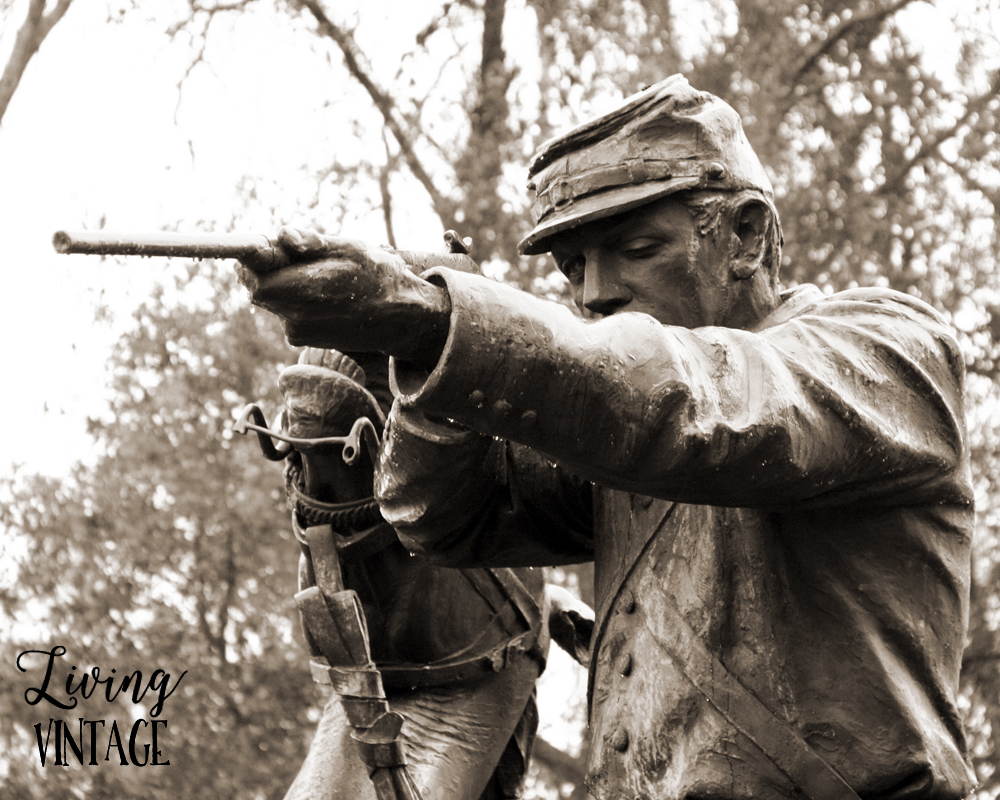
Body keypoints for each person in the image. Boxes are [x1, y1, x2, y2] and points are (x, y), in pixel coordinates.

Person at [238, 75, 976, 800]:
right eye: (573, 267)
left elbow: (689, 401)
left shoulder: (889, 355)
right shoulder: (617, 434)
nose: (595, 293)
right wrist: (422, 362)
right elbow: (449, 520)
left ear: (746, 236)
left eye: (636, 247)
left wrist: (441, 319)